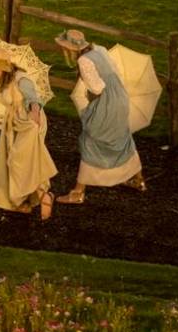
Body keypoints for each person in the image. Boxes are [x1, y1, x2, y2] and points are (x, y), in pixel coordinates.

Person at [54, 30, 146, 204]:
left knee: (91, 139)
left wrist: (84, 80)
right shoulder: (99, 49)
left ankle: (78, 192)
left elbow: (96, 88)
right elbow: (115, 73)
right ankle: (138, 179)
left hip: (106, 102)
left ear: (70, 49)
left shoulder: (83, 61)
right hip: (120, 97)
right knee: (121, 136)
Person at [0, 49, 57, 220]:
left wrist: (34, 121)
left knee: (21, 162)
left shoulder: (21, 80)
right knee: (19, 163)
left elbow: (34, 102)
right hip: (14, 125)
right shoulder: (5, 80)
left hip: (28, 124)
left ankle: (43, 195)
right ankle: (24, 202)